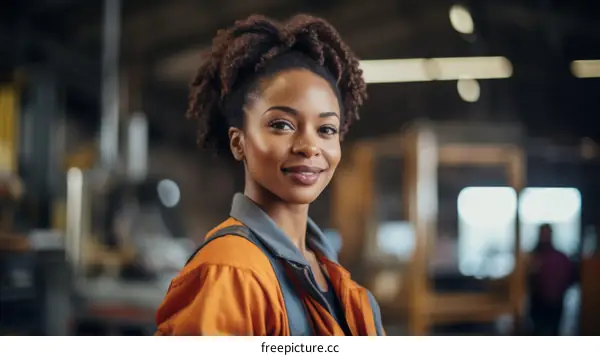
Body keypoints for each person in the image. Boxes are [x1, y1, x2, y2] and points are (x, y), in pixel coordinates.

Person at [155, 14, 384, 336]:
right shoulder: (229, 271)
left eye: (326, 129)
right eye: (281, 125)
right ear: (239, 142)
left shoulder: (335, 279)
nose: (309, 146)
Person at [528, 224, 574, 336]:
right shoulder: (533, 257)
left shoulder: (560, 257)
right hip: (538, 303)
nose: (545, 236)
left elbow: (570, 277)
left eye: (546, 233)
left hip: (556, 302)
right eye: (543, 233)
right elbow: (527, 281)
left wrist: (560, 290)